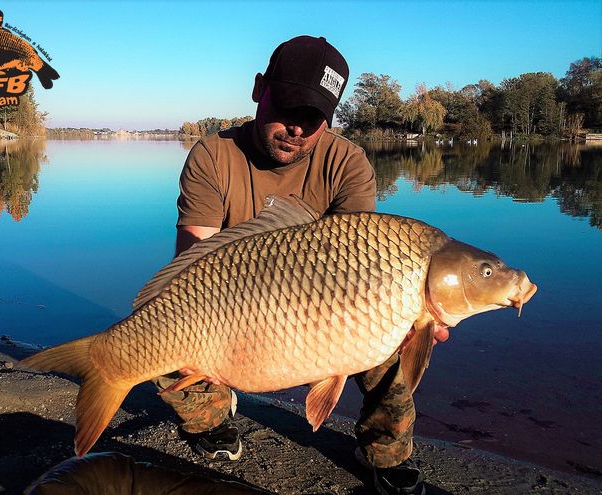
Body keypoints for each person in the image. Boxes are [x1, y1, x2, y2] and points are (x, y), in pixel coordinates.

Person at [155, 35, 446, 495]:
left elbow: (364, 265)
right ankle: (212, 418)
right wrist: (214, 338)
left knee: (391, 338)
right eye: (288, 108)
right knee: (165, 329)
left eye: (314, 118)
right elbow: (192, 263)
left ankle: (384, 453)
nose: (297, 128)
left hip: (323, 304)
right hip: (231, 299)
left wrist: (408, 312)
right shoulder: (213, 156)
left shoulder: (347, 162)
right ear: (258, 89)